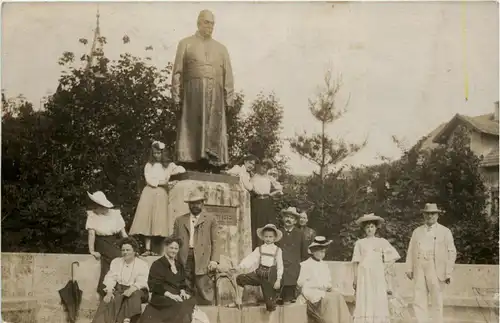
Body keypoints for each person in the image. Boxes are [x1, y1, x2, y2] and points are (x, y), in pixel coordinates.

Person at [172, 9, 234, 173]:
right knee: (192, 126)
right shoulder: (185, 43)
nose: (210, 26)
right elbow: (177, 72)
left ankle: (213, 163)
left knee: (214, 128)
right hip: (193, 95)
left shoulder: (221, 48)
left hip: (216, 95)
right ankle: (190, 161)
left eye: (212, 23)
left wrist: (229, 99)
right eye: (207, 22)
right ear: (199, 22)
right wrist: (176, 98)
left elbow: (228, 75)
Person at [129, 140, 185, 256]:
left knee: (159, 220)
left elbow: (181, 170)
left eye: (159, 153)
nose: (156, 156)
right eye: (154, 153)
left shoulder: (169, 166)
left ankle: (158, 249)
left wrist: (170, 180)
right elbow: (149, 180)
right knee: (147, 220)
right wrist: (163, 182)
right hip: (149, 193)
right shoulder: (149, 165)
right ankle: (147, 248)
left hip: (161, 194)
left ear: (163, 153)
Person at [405, 203, 457, 323]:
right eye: (427, 214)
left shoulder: (445, 231)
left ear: (437, 215)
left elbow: (452, 252)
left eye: (433, 214)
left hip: (435, 267)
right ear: (423, 215)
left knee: (437, 299)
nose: (430, 216)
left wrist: (448, 272)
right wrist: (409, 268)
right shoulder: (417, 231)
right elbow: (411, 250)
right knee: (419, 298)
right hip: (419, 266)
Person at [172, 186, 221, 305]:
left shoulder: (210, 219)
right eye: (192, 203)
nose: (194, 206)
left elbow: (216, 241)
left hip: (203, 256)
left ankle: (207, 310)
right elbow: (174, 240)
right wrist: (173, 258)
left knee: (203, 282)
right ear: (188, 204)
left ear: (202, 203)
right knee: (186, 281)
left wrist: (214, 260)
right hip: (185, 254)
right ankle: (187, 310)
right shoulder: (180, 220)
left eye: (197, 203)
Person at [351, 213, 401, 323]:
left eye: (372, 226)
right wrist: (355, 277)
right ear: (364, 229)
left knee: (377, 295)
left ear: (376, 228)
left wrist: (384, 267)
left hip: (377, 272)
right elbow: (356, 261)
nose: (370, 229)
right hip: (363, 273)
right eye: (367, 227)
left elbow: (394, 256)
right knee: (365, 296)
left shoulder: (381, 241)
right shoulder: (360, 243)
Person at [139, 236, 196, 323]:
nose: (173, 251)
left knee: (189, 302)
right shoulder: (157, 264)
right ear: (166, 248)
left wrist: (182, 291)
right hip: (162, 295)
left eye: (176, 248)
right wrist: (171, 295)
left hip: (177, 294)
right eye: (171, 248)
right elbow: (154, 285)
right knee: (177, 305)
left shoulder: (179, 265)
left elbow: (182, 282)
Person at [92, 237, 149, 323]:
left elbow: (142, 281)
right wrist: (109, 290)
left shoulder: (142, 264)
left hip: (138, 290)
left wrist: (132, 288)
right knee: (110, 299)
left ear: (134, 251)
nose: (125, 252)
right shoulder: (116, 262)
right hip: (119, 289)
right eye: (123, 250)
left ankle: (128, 319)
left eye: (128, 250)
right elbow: (111, 277)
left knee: (133, 296)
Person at [297, 236, 352, 323]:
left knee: (338, 296)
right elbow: (301, 283)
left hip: (323, 291)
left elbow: (327, 280)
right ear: (314, 251)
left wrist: (328, 286)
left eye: (324, 252)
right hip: (311, 291)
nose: (322, 254)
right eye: (320, 252)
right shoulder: (306, 265)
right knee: (330, 300)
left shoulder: (324, 264)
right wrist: (318, 286)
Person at [86, 191, 128, 297]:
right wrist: (92, 250)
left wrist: (131, 246)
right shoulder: (92, 216)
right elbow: (91, 234)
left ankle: (107, 286)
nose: (98, 209)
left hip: (114, 241)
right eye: (96, 207)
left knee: (120, 257)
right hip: (101, 242)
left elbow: (123, 234)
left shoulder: (115, 214)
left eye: (100, 207)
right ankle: (113, 286)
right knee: (118, 257)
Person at [234, 224, 284, 311]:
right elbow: (250, 259)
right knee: (240, 278)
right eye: (266, 236)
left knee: (270, 306)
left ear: (274, 238)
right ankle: (238, 300)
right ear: (263, 237)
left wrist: (278, 280)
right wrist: (240, 266)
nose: (268, 239)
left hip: (269, 278)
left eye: (270, 237)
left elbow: (280, 266)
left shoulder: (277, 250)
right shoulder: (259, 249)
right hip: (258, 274)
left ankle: (272, 300)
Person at [277, 207, 308, 304]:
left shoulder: (300, 234)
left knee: (289, 301)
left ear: (295, 221)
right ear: (283, 219)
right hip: (280, 269)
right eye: (286, 217)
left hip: (293, 270)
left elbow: (304, 254)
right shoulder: (278, 233)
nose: (288, 219)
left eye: (291, 218)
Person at [249, 159, 283, 249]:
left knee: (267, 223)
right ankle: (256, 247)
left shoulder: (269, 178)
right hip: (257, 201)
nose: (264, 170)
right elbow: (249, 188)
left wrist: (271, 194)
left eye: (266, 168)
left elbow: (279, 188)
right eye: (263, 167)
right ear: (259, 166)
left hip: (267, 202)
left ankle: (269, 246)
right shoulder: (253, 177)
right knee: (257, 223)